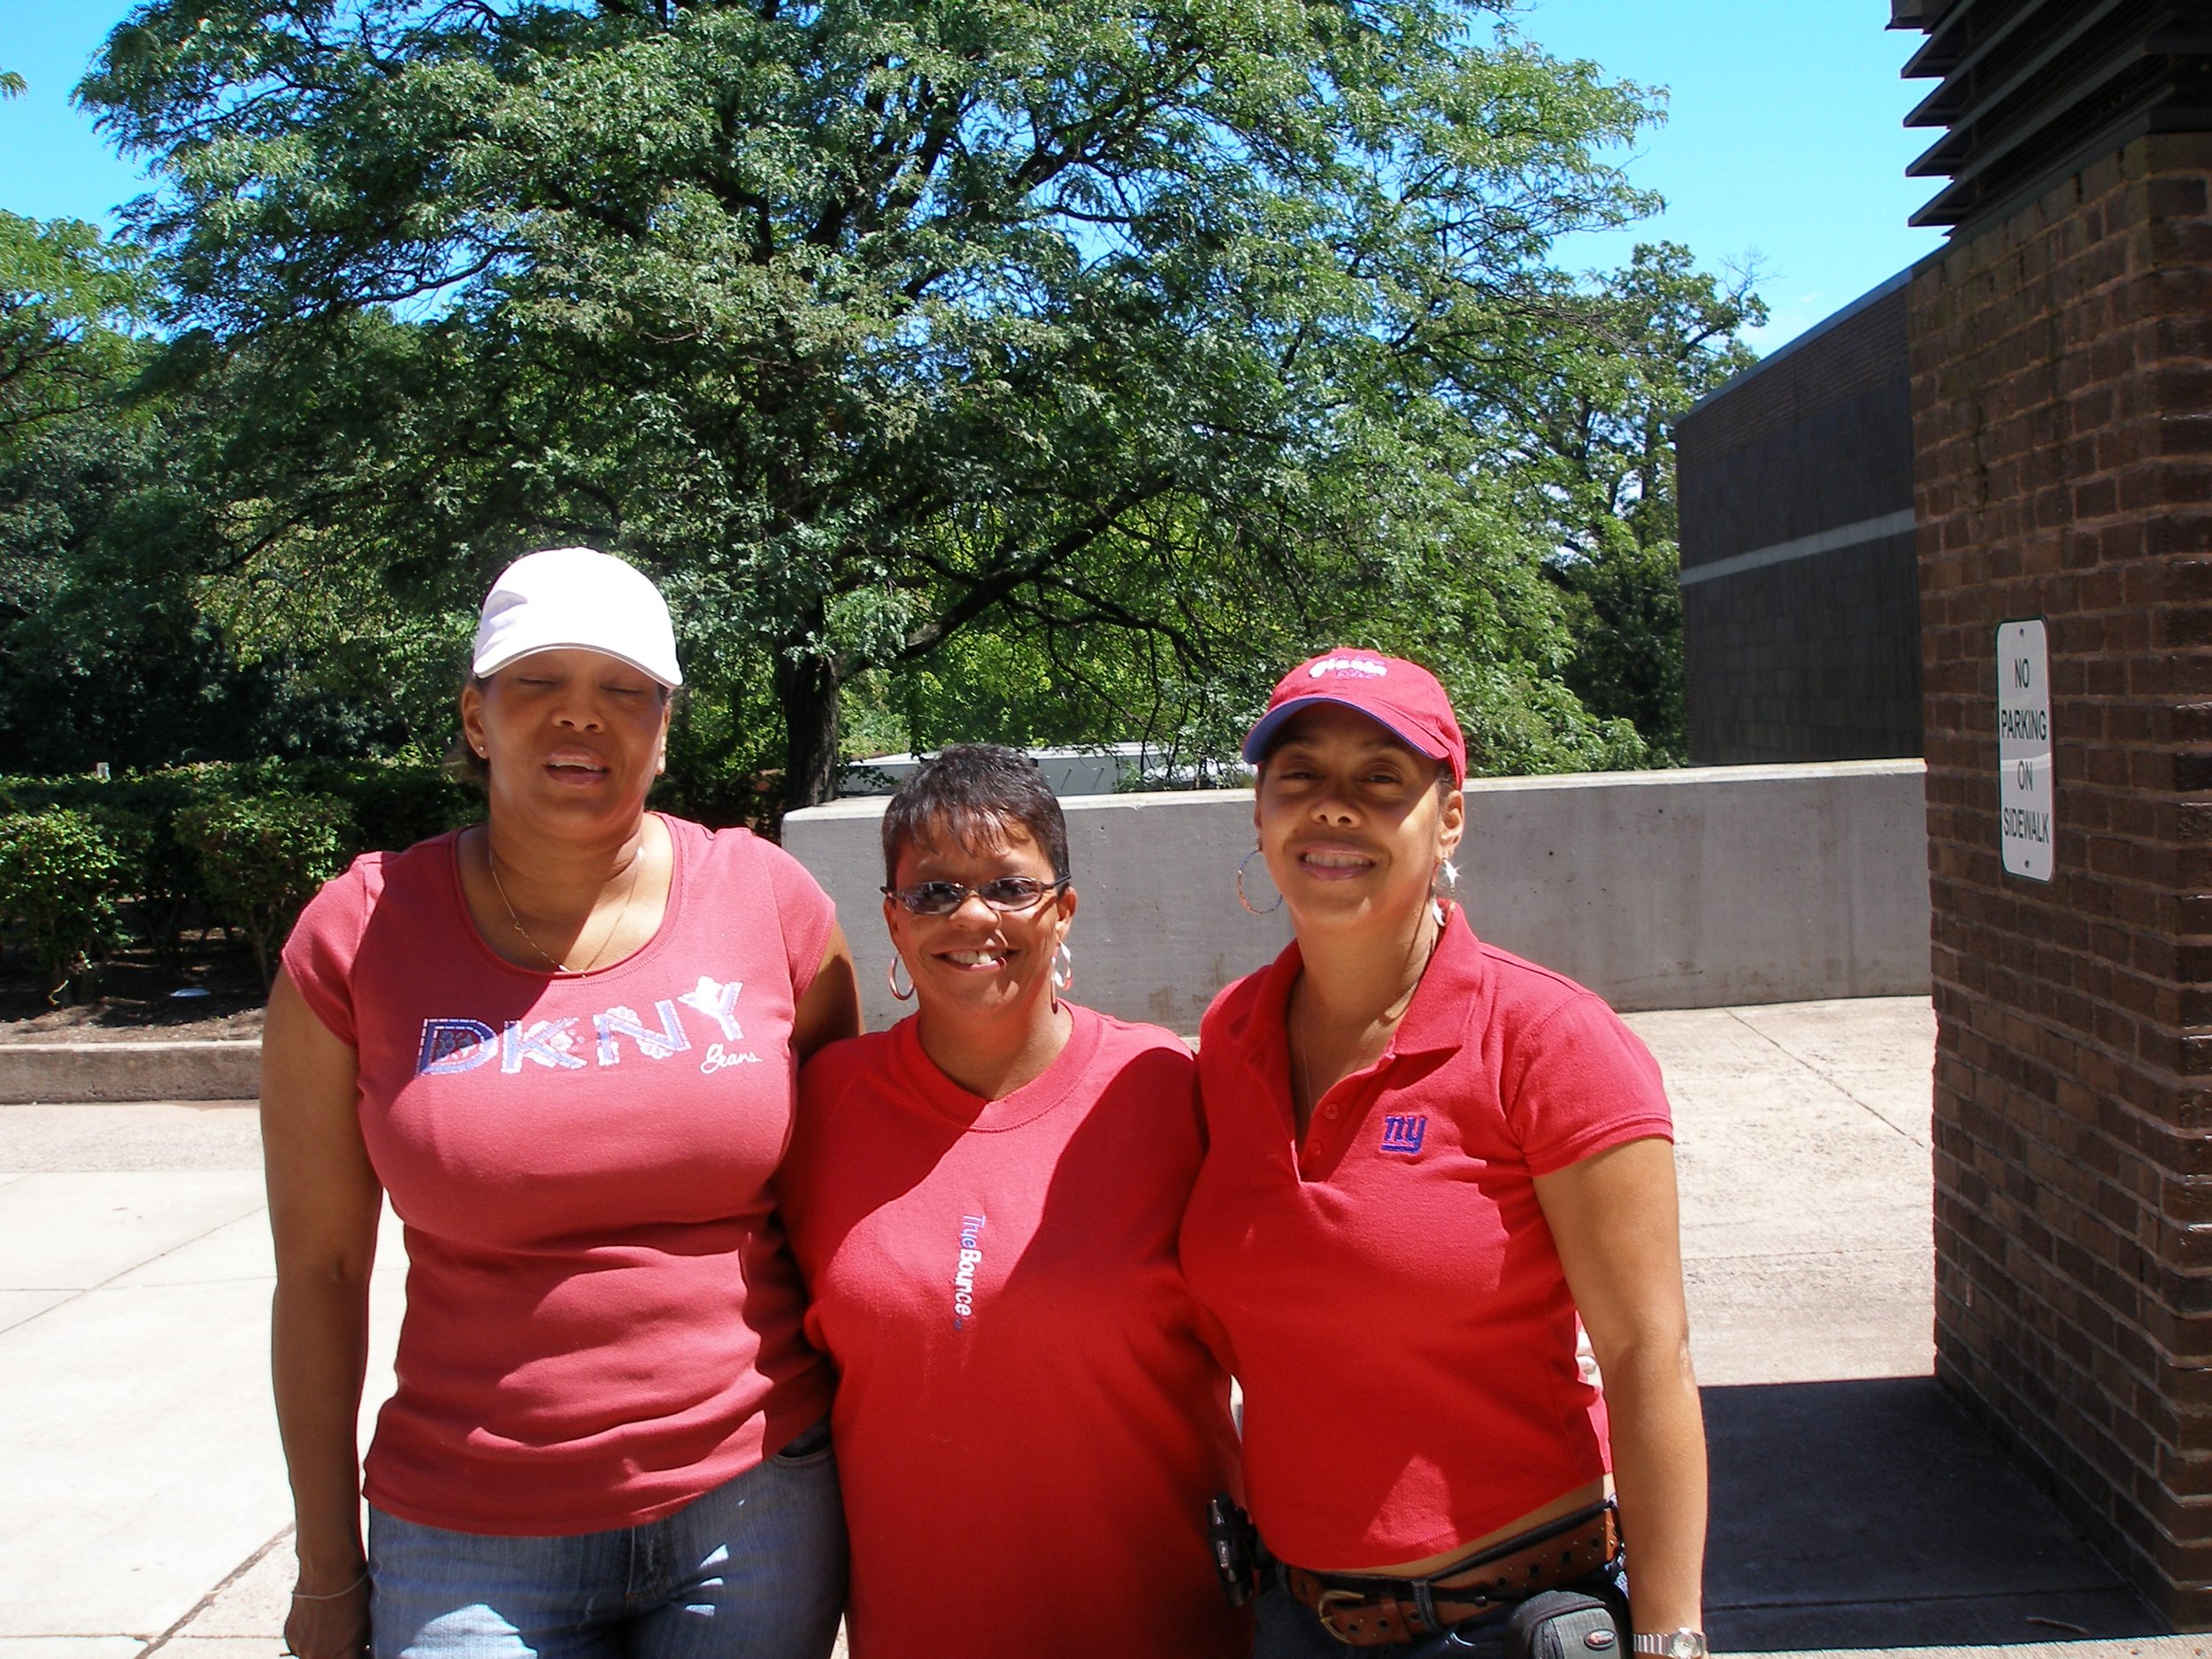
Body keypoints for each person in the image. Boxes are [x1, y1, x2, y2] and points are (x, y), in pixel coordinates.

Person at [262, 546, 860, 1659]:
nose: (581, 717)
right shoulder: (354, 936)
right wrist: (325, 1565)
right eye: (539, 682)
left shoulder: (771, 904)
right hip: (467, 1533)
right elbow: (322, 1273)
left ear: (663, 727)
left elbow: (846, 1208)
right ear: (477, 717)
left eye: (622, 691)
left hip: (755, 1509)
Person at [1180, 648, 1708, 1659]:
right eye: (1300, 776)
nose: (1334, 807)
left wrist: (1670, 1637)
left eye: (1381, 778)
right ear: (1259, 814)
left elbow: (1650, 1360)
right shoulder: (1230, 1036)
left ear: (1450, 816)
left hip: (1503, 1625)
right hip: (1292, 1618)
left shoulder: (1548, 1040)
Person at [775, 744, 1247, 1659]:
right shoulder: (824, 1104)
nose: (973, 915)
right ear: (893, 922)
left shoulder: (1163, 1090)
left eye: (1009, 886)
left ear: (1064, 909)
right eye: (934, 892)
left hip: (1164, 1626)